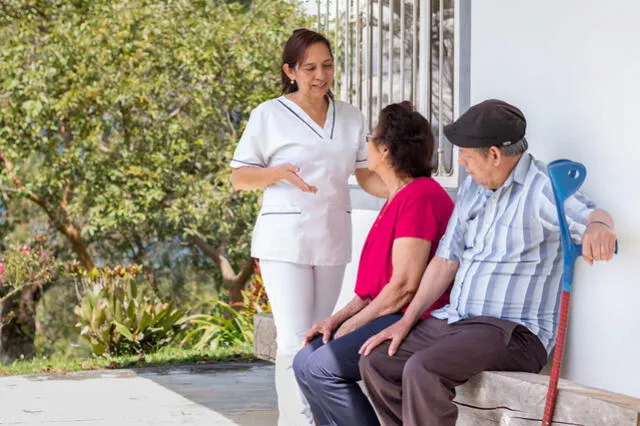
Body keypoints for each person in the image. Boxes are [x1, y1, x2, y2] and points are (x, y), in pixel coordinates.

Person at [357, 99, 618, 426]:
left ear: (494, 154)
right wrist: (406, 321)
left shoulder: (541, 189)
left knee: (422, 369)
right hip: (456, 321)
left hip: (513, 332)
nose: (462, 162)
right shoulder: (473, 189)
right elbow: (444, 261)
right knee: (378, 361)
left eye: (466, 153)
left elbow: (593, 215)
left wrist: (599, 229)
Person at [229, 29, 385, 426]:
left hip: (332, 237)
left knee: (321, 337)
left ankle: (317, 419)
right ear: (290, 71)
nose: (321, 75)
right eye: (310, 67)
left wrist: (403, 191)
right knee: (293, 336)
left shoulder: (350, 116)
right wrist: (276, 173)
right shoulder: (269, 115)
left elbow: (365, 174)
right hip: (284, 242)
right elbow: (240, 178)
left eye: (327, 65)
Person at [292, 101, 454, 426]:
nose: (365, 144)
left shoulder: (421, 197)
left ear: (384, 150)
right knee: (305, 359)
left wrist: (349, 328)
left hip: (415, 318)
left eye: (370, 137)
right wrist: (334, 321)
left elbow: (404, 287)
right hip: (386, 310)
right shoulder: (396, 197)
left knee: (323, 366)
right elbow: (372, 291)